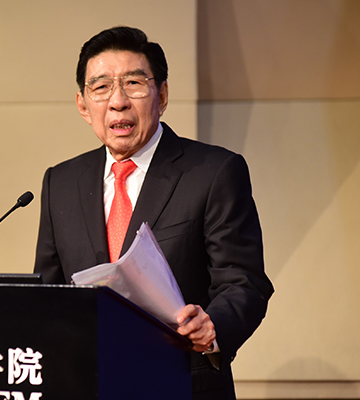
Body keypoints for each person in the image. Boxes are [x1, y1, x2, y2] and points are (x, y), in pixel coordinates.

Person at [34, 26, 274, 399]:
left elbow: (244, 282)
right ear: (83, 105)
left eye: (133, 84)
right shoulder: (61, 182)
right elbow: (47, 295)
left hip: (182, 383)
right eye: (101, 87)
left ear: (161, 95)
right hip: (87, 386)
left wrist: (212, 326)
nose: (117, 101)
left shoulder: (213, 172)